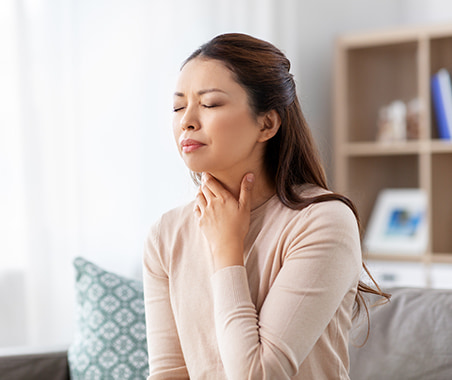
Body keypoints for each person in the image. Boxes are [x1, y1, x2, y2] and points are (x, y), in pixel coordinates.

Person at [143, 33, 389, 380]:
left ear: (267, 123)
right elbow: (169, 373)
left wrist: (225, 247)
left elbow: (258, 375)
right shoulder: (166, 235)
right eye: (178, 106)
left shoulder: (322, 221)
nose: (187, 120)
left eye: (210, 104)